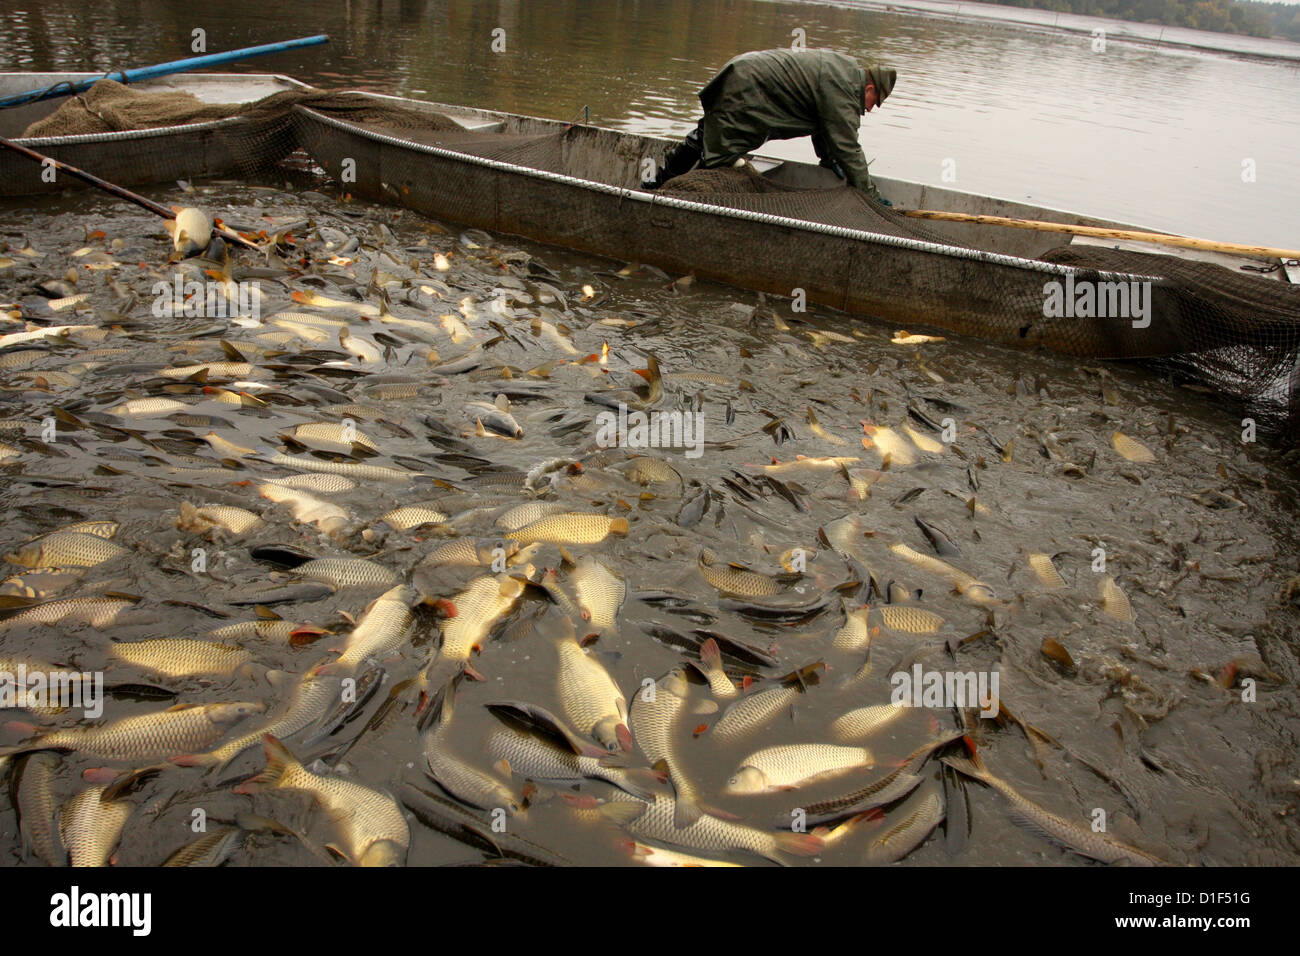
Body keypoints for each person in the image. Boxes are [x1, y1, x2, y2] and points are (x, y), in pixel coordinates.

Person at [642, 48, 897, 204]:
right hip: (750, 85)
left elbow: (825, 126)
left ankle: (657, 184)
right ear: (870, 88)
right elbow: (848, 147)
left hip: (746, 72)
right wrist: (870, 194)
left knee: (708, 136)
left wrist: (828, 159)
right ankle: (669, 192)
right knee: (718, 152)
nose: (871, 109)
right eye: (875, 102)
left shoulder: (845, 74)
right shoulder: (844, 89)